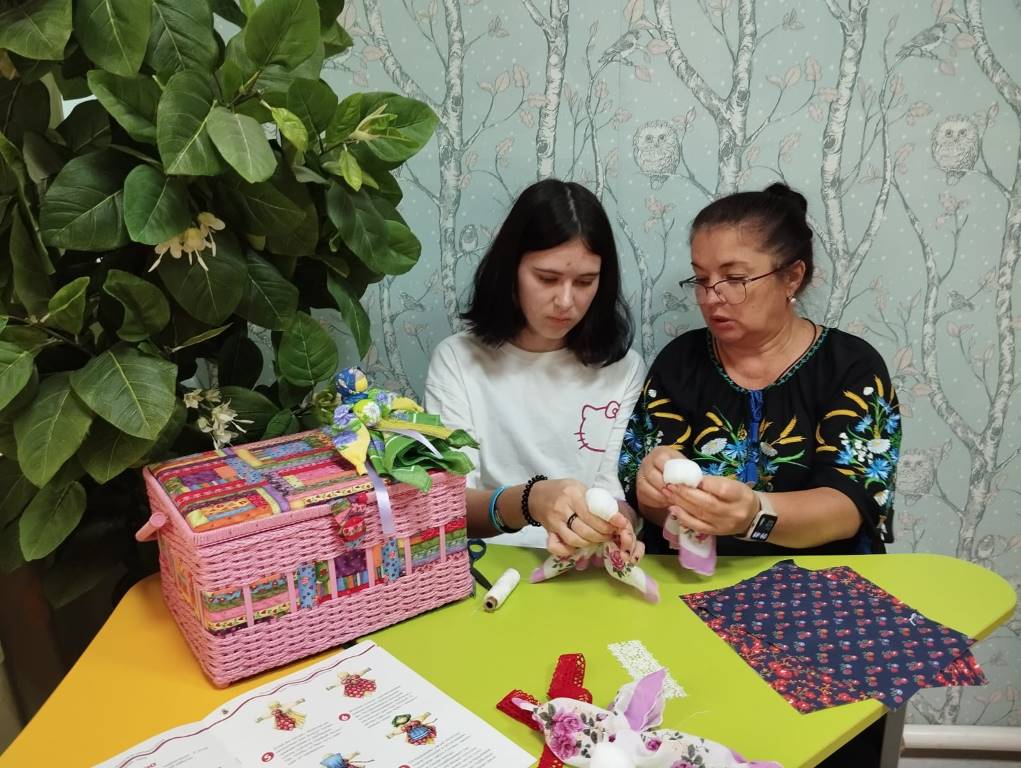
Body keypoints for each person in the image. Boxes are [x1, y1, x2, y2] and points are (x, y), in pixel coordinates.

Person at [618, 182, 901, 767]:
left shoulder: (851, 368)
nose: (712, 297)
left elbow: (852, 503)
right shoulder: (680, 361)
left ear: (792, 277)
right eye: (701, 279)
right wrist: (651, 485)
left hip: (824, 614)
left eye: (735, 278)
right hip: (692, 603)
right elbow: (647, 482)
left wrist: (756, 514)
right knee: (698, 741)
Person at [425, 178, 646, 556]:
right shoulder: (458, 361)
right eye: (546, 278)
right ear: (511, 269)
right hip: (488, 564)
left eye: (585, 282)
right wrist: (531, 500)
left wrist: (618, 526)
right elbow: (451, 508)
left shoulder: (622, 367)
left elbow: (615, 493)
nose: (565, 301)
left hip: (582, 564)